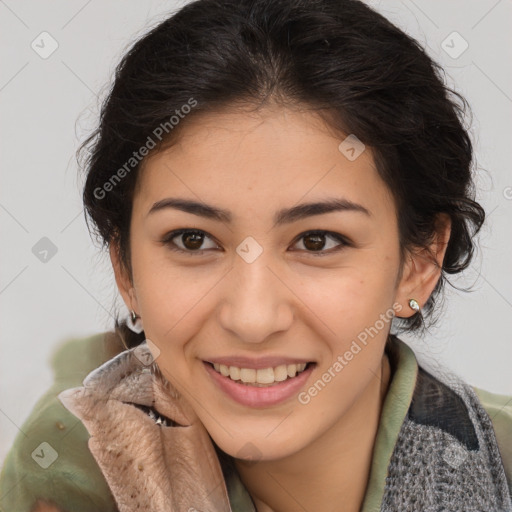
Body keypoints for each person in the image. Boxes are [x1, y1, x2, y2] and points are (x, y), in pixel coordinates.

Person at [1, 0, 511, 510]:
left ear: (418, 264)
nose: (252, 319)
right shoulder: (77, 463)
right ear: (125, 269)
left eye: (317, 241)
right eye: (193, 240)